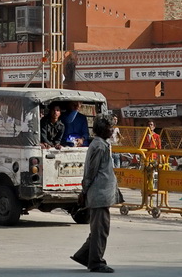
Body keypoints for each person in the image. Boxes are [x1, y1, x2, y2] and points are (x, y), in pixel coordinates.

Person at [71, 115, 118, 273]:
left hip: (102, 194)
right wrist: (84, 191)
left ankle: (84, 255)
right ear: (103, 129)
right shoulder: (99, 146)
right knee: (100, 230)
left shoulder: (101, 144)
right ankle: (96, 262)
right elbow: (91, 172)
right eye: (110, 128)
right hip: (99, 194)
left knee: (99, 228)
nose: (112, 130)